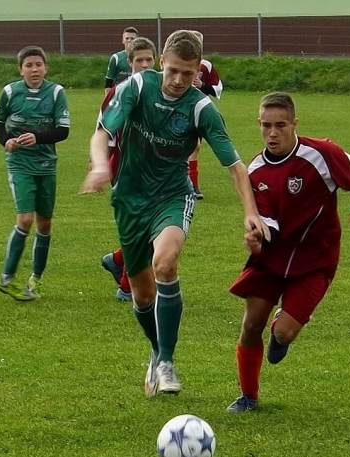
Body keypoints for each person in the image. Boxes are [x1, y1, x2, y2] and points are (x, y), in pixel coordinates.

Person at [82, 30, 268, 397]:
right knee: (141, 297)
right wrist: (101, 166)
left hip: (172, 195)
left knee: (165, 263)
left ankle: (166, 361)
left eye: (188, 73)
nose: (180, 80)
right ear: (162, 61)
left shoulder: (200, 108)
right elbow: (101, 133)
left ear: (198, 70)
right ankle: (156, 351)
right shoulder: (136, 88)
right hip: (129, 200)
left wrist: (251, 212)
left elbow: (235, 165)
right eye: (174, 71)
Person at [226, 92, 350, 413]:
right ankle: (248, 397)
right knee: (251, 325)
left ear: (295, 124)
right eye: (266, 126)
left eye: (281, 125)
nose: (272, 133)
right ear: (259, 125)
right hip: (271, 257)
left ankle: (281, 329)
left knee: (284, 332)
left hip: (315, 260)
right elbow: (268, 223)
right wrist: (257, 239)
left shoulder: (321, 154)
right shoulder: (256, 172)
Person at [0, 45, 70, 301]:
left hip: (46, 164)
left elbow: (63, 131)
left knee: (45, 224)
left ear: (45, 67)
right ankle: (6, 277)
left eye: (38, 64)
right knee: (25, 219)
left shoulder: (56, 92)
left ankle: (35, 280)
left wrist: (37, 137)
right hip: (20, 163)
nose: (34, 69)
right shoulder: (10, 92)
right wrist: (6, 140)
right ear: (20, 69)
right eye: (29, 65)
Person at [98, 37, 158, 303]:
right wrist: (99, 165)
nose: (145, 64)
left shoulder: (161, 90)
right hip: (125, 168)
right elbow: (104, 131)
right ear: (130, 63)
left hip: (156, 170)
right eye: (139, 60)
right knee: (141, 227)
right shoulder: (120, 92)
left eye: (149, 59)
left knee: (154, 227)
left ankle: (117, 260)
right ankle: (126, 286)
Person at [185, 30, 223, 200]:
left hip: (198, 109)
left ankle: (192, 185)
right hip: (179, 108)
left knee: (194, 146)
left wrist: (202, 85)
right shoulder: (180, 61)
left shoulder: (206, 66)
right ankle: (187, 184)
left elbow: (217, 89)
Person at [105, 27, 139, 96]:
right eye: (127, 38)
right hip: (120, 95)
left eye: (132, 38)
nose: (129, 41)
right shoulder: (116, 58)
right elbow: (109, 82)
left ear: (137, 40)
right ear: (123, 40)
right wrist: (108, 101)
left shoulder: (142, 58)